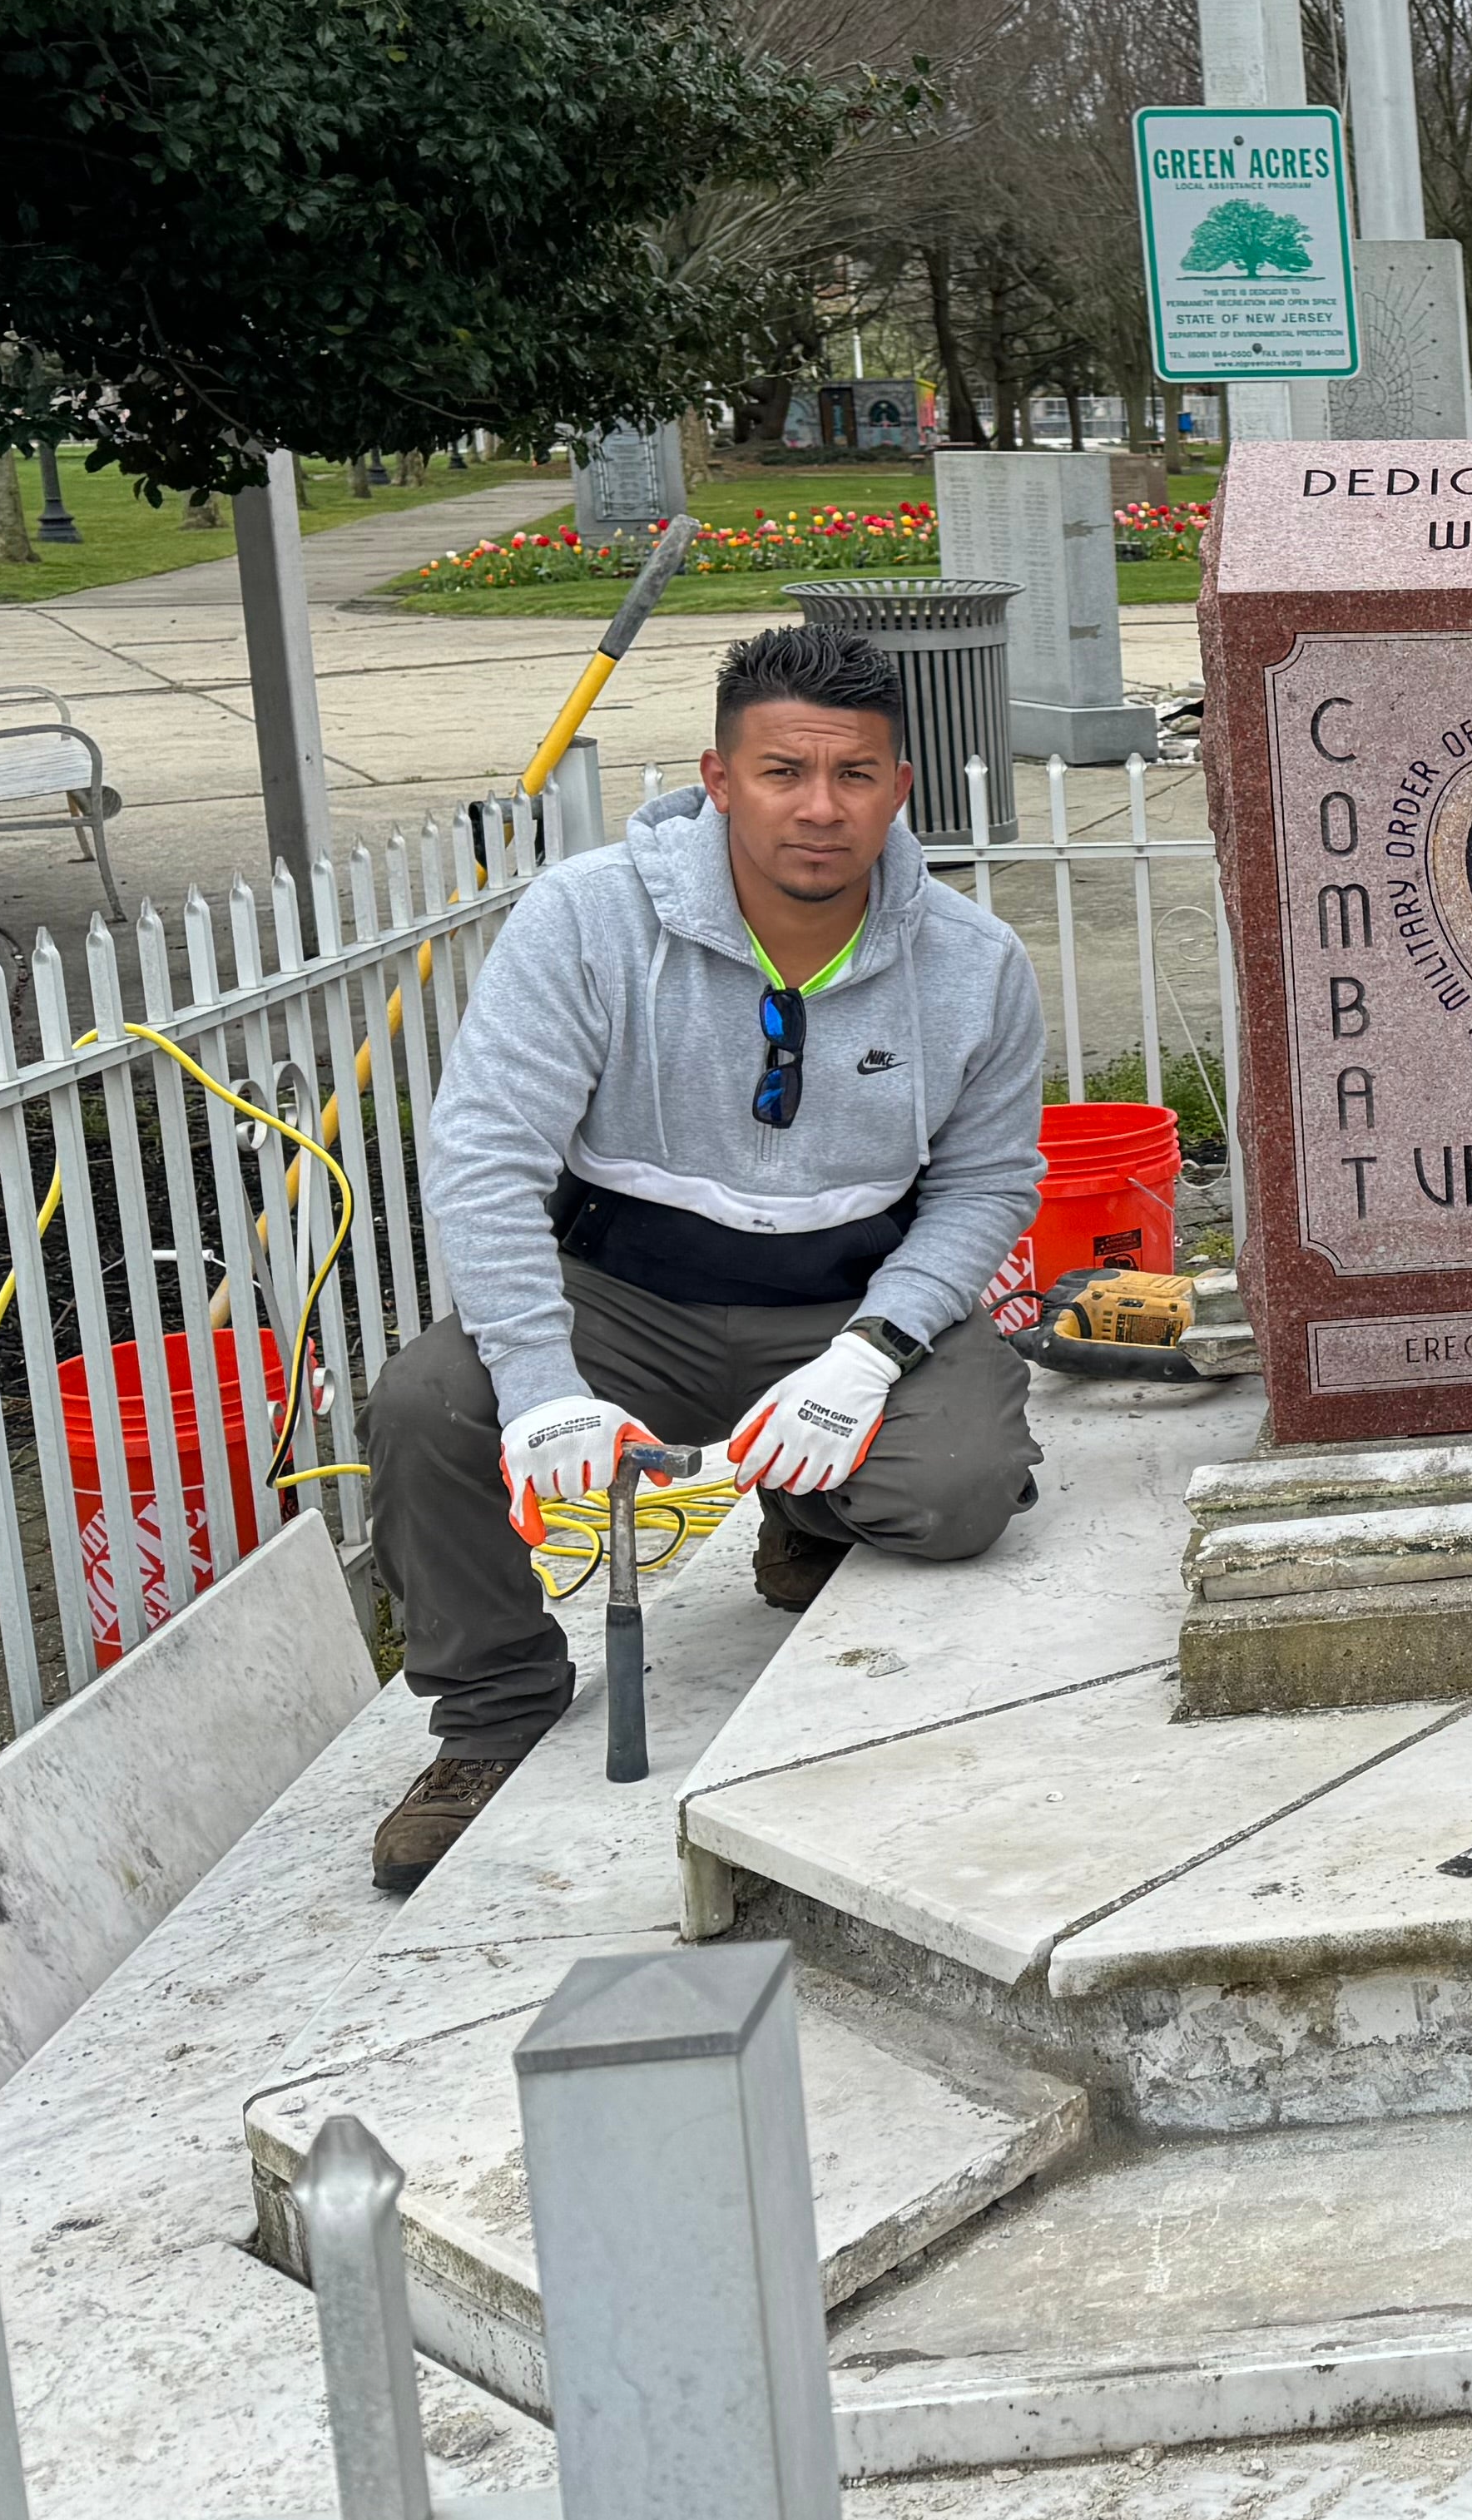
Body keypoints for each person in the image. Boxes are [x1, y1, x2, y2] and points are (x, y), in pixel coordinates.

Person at [359, 621, 1051, 1892]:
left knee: (957, 1488)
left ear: (903, 786)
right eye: (783, 772)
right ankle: (493, 1712)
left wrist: (873, 1351)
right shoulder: (584, 921)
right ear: (718, 777)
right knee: (426, 1409)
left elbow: (988, 1181)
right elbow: (483, 1154)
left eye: (855, 775)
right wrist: (540, 1387)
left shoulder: (974, 965)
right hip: (631, 1296)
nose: (820, 810)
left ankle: (806, 1505)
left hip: (850, 1300)